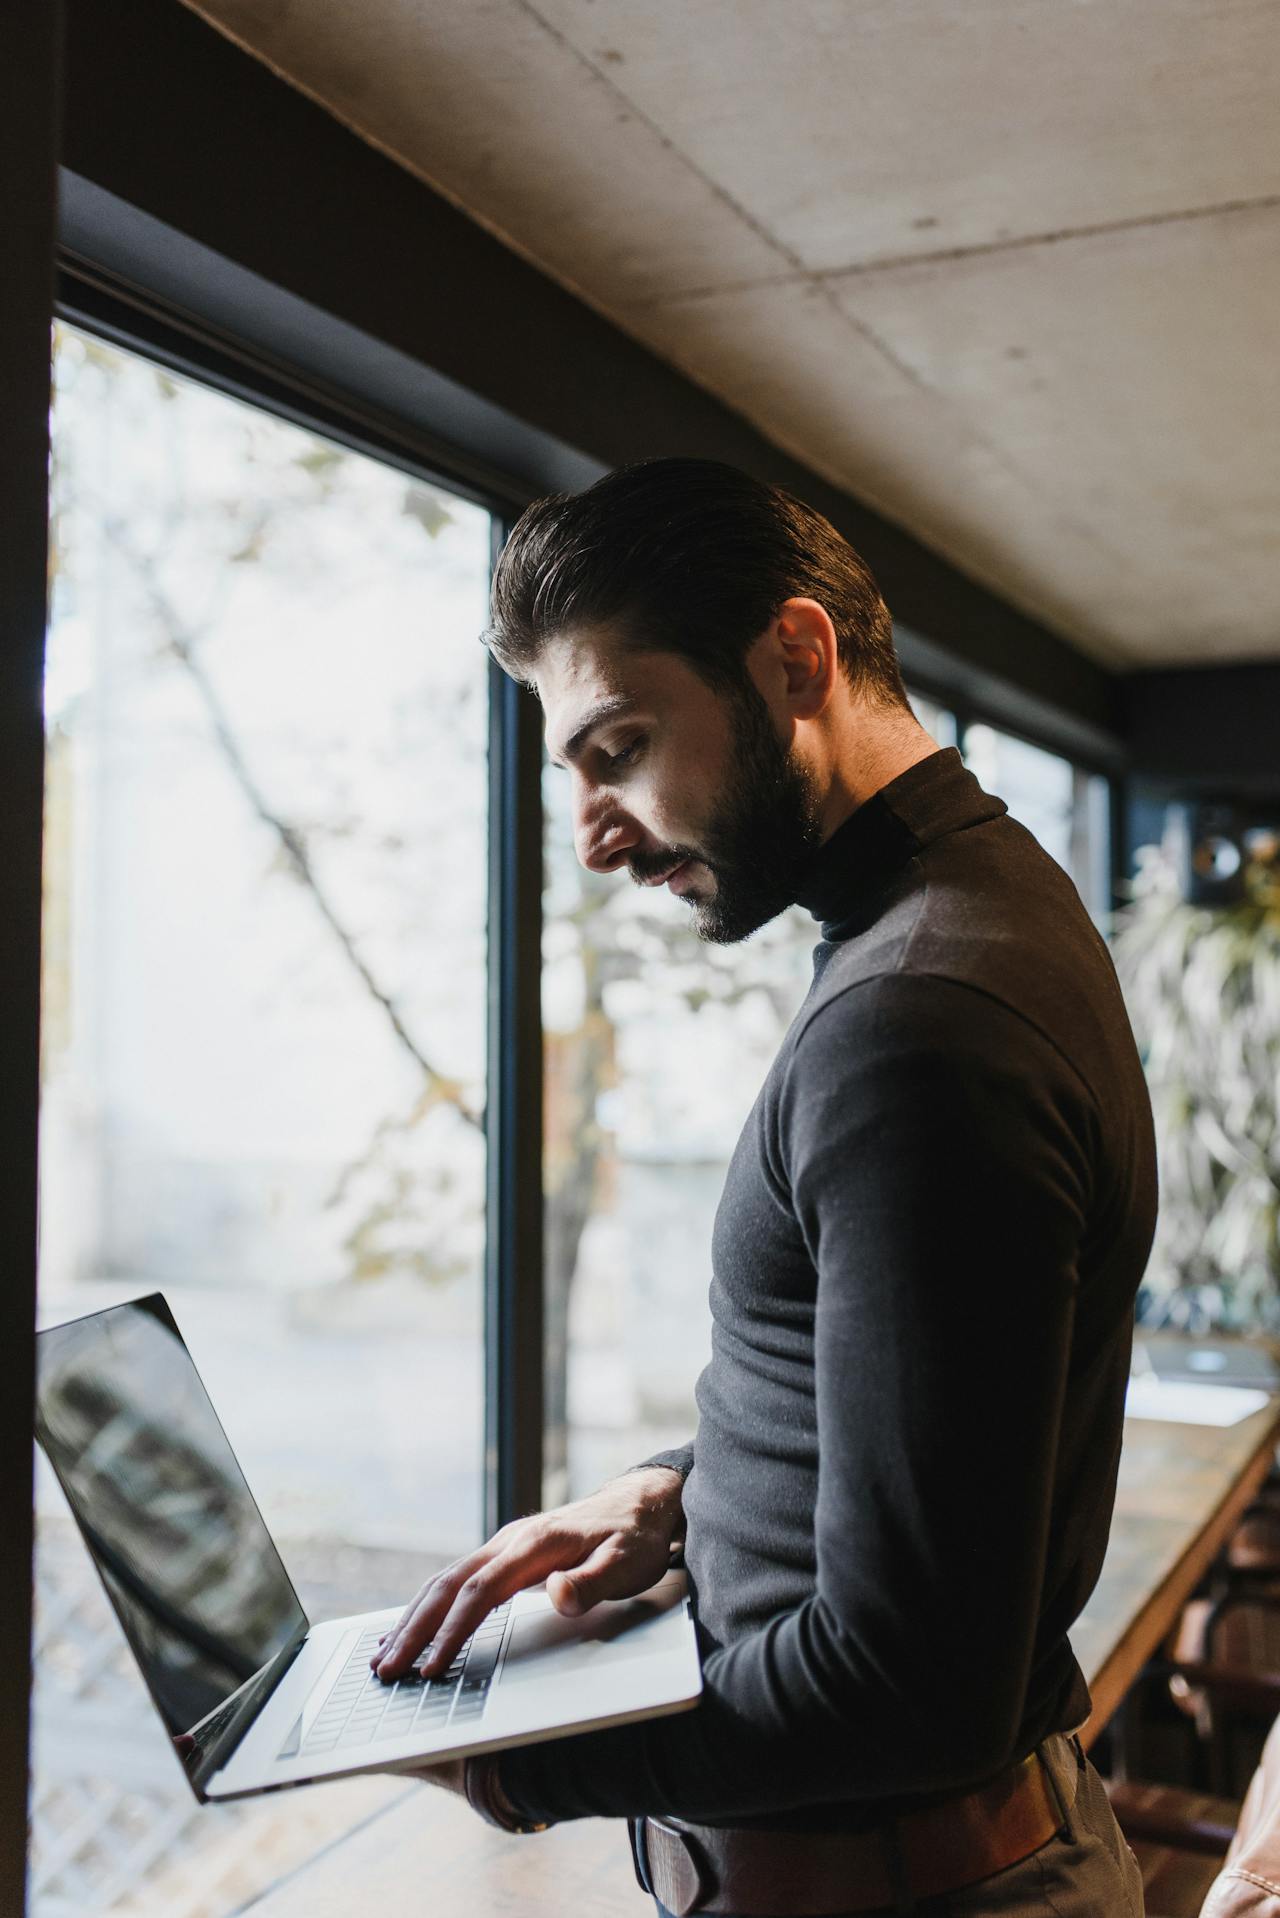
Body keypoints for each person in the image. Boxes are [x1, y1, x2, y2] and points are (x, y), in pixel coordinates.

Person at [372, 458, 1157, 1916]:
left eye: (620, 745)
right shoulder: (981, 906)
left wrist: (506, 1762)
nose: (596, 830)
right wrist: (679, 1492)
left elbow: (910, 1682)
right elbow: (925, 1428)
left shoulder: (918, 1022)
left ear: (795, 658)